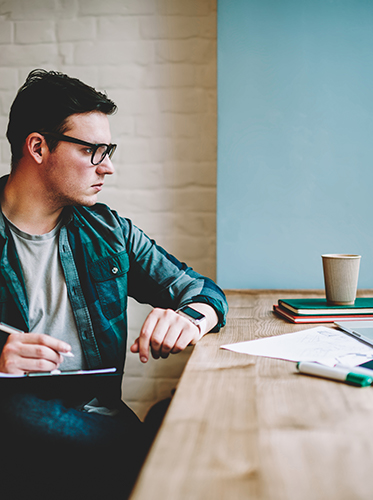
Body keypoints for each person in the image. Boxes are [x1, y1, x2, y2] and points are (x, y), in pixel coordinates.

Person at [0, 69, 228, 499]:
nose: (108, 166)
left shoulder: (109, 231)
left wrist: (192, 320)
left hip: (98, 421)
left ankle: (157, 450)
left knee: (177, 412)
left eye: (110, 150)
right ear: (37, 147)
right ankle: (157, 453)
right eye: (93, 150)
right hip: (15, 427)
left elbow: (201, 290)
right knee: (13, 409)